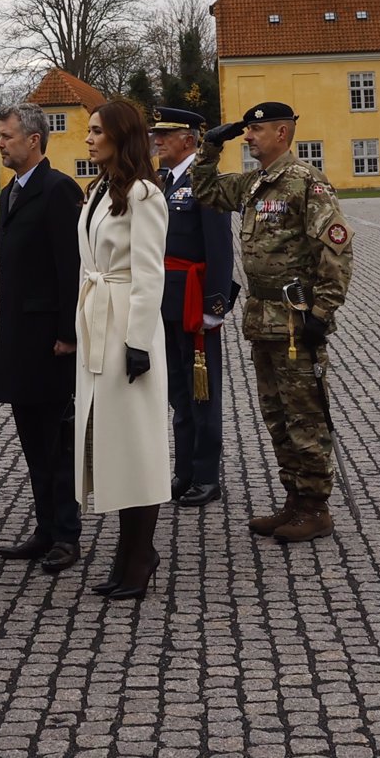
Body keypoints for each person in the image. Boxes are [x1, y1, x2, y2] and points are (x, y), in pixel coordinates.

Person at [194, 102, 354, 544]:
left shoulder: (306, 183)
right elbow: (206, 192)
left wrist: (322, 313)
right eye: (246, 131)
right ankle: (294, 501)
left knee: (305, 416)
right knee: (277, 416)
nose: (247, 137)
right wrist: (209, 148)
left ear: (282, 133)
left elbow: (336, 252)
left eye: (256, 129)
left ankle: (316, 507)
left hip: (296, 320)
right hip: (263, 318)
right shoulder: (253, 183)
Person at [74, 99, 171, 600]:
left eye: (96, 132)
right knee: (107, 438)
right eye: (88, 131)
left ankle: (140, 553)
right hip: (98, 322)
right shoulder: (98, 191)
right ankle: (127, 549)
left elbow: (150, 272)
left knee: (135, 442)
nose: (88, 139)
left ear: (120, 136)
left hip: (128, 329)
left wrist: (137, 342)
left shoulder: (144, 195)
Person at [0, 104, 84, 573]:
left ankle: (67, 535)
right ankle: (45, 529)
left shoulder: (58, 189)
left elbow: (71, 268)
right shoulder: (11, 193)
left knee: (57, 442)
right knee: (32, 440)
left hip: (50, 340)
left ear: (33, 140)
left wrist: (69, 333)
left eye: (6, 136)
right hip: (18, 338)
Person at [151, 107, 236, 509]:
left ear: (189, 139)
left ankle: (205, 476)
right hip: (167, 302)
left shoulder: (203, 183)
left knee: (203, 393)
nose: (157, 141)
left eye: (165, 135)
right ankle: (183, 472)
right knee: (179, 394)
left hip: (194, 302)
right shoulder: (162, 182)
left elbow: (219, 246)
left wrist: (215, 304)